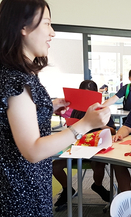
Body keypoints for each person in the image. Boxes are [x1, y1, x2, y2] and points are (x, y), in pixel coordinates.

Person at [0, 0, 110, 216]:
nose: (52, 32)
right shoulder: (17, 79)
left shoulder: (5, 70)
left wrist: (47, 105)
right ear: (23, 27)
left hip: (4, 186)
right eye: (47, 23)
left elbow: (13, 116)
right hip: (18, 194)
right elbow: (33, 150)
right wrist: (85, 125)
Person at [52, 80, 116, 211]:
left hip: (95, 147)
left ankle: (97, 185)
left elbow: (113, 131)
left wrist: (99, 124)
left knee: (98, 164)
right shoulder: (75, 110)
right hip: (77, 147)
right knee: (55, 166)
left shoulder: (102, 110)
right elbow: (71, 130)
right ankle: (67, 189)